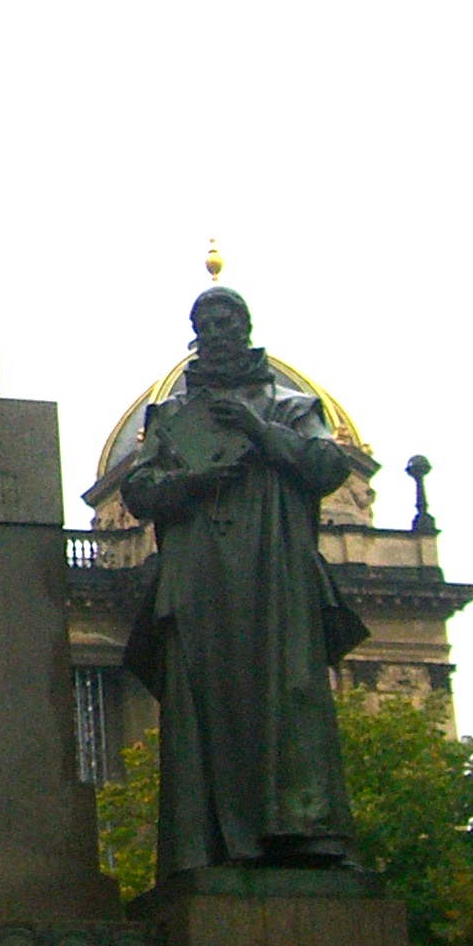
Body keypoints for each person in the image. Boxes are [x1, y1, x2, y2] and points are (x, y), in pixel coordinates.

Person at [118, 285, 368, 876]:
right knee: (201, 700)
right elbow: (138, 490)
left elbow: (327, 466)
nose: (218, 332)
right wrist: (193, 485)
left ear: (246, 326)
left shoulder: (290, 403)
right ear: (196, 333)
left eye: (228, 321)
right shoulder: (172, 414)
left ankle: (302, 834)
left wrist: (258, 429)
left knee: (288, 693)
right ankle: (205, 844)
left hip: (273, 571)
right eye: (206, 323)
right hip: (199, 576)